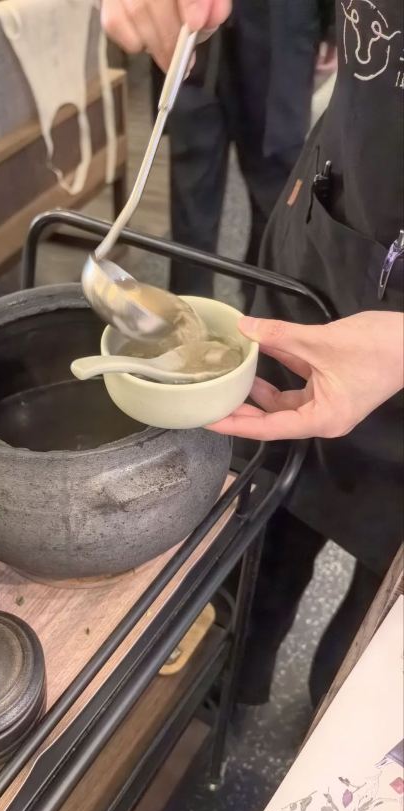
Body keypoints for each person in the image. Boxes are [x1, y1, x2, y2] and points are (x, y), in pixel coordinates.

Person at [101, 0, 404, 705]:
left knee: (368, 632)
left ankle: (324, 716)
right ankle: (227, 692)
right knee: (259, 526)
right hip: (333, 228)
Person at [151, 0, 333, 304]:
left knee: (275, 191)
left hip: (280, 29)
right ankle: (187, 312)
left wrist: (336, 26)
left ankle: (263, 308)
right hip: (194, 32)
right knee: (191, 189)